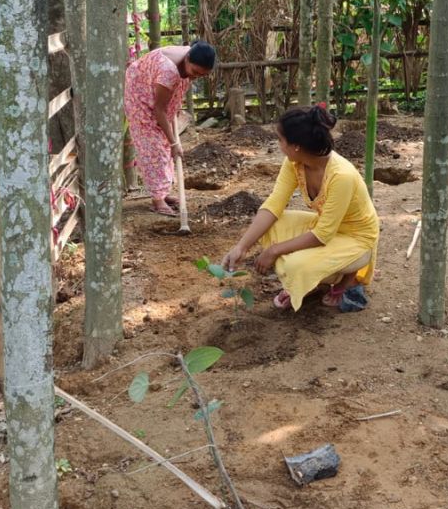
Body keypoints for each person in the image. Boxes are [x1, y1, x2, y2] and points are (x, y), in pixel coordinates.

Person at [220, 105, 379, 311]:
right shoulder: (294, 163)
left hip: (356, 237)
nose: (279, 146)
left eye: (280, 140)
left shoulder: (342, 176)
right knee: (270, 227)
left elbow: (323, 234)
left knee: (295, 265)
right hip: (327, 227)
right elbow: (274, 204)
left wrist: (274, 250)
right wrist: (241, 246)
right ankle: (309, 282)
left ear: (296, 146)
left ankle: (347, 279)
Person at [124, 42, 216, 216]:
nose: (196, 77)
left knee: (164, 142)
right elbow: (159, 110)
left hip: (155, 84)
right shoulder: (168, 72)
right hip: (140, 88)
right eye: (195, 72)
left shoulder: (189, 58)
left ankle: (163, 194)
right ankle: (157, 200)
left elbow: (167, 109)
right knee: (153, 146)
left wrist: (172, 140)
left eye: (202, 75)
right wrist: (174, 143)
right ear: (187, 58)